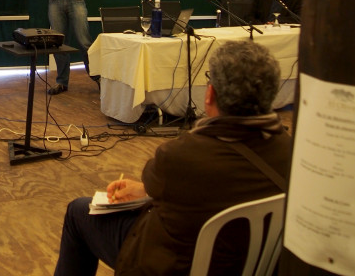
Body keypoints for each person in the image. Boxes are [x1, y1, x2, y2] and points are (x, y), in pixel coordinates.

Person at [52, 40, 291, 276]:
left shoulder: (182, 155)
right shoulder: (291, 152)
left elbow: (176, 184)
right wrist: (145, 190)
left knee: (78, 211)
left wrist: (150, 190)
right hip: (250, 264)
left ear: (210, 94)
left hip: (175, 265)